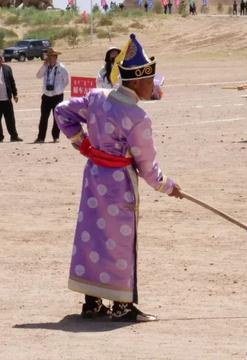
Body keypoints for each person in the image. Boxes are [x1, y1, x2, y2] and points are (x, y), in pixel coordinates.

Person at [54, 34, 183, 322]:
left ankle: (92, 302)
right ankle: (122, 305)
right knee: (119, 241)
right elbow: (148, 168)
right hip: (119, 185)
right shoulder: (137, 117)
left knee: (93, 235)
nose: (154, 86)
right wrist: (169, 186)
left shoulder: (98, 98)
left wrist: (83, 144)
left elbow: (62, 111)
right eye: (150, 81)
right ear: (136, 82)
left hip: (94, 177)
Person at [34, 48, 69, 144]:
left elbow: (66, 81)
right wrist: (43, 66)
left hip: (57, 96)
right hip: (46, 95)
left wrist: (59, 89)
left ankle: (55, 136)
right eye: (50, 56)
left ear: (56, 57)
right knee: (43, 117)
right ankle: (41, 137)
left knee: (56, 117)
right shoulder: (46, 66)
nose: (51, 58)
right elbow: (38, 76)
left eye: (53, 56)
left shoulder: (61, 67)